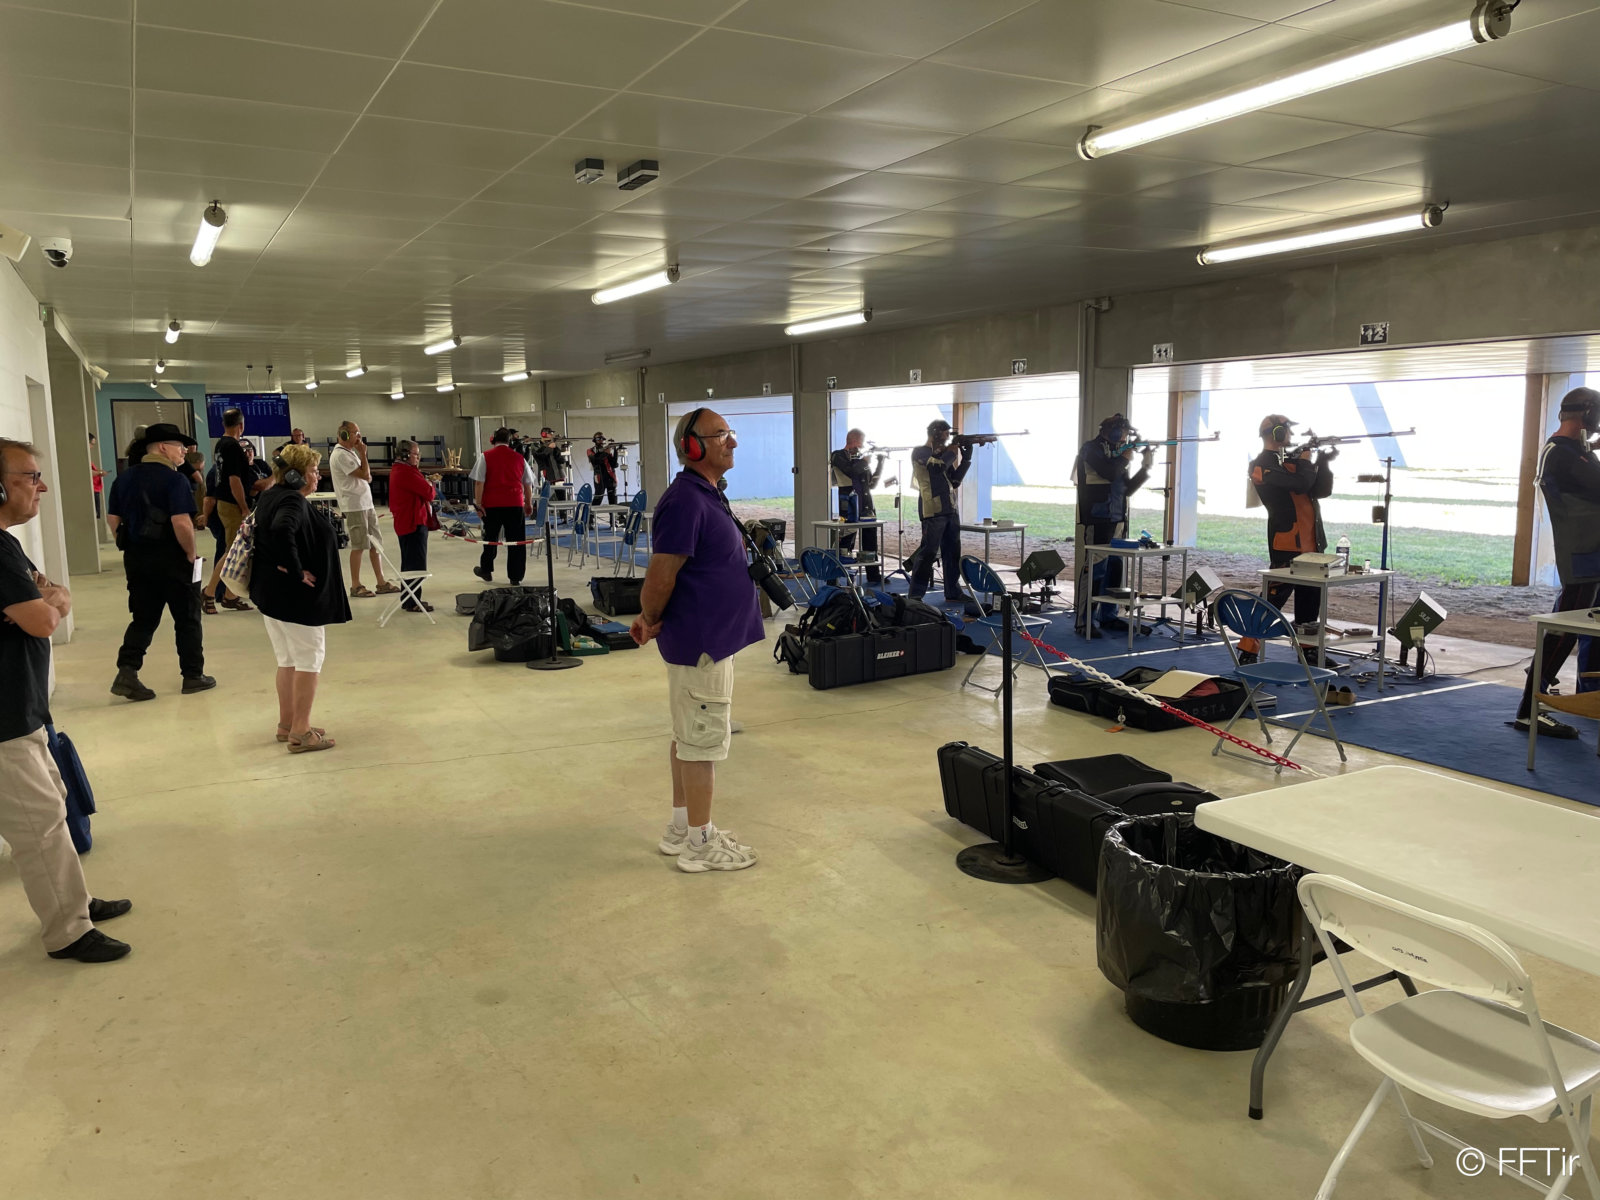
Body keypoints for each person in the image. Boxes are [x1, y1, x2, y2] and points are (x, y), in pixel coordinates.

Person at [0, 437, 134, 962]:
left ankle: (72, 900)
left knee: (53, 808)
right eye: (29, 477)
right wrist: (48, 603)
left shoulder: (7, 544)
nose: (41, 487)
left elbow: (52, 593)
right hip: (5, 718)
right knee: (39, 826)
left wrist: (49, 600)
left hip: (24, 707)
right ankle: (68, 931)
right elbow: (43, 619)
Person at [631, 407, 762, 874]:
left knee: (688, 737)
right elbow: (661, 573)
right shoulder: (685, 501)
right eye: (721, 434)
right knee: (702, 743)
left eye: (730, 432)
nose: (732, 442)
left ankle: (681, 827)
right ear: (692, 446)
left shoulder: (706, 494)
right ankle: (700, 844)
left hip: (710, 641)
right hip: (701, 644)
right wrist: (649, 617)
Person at [249, 444, 350, 753]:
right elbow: (283, 530)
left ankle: (287, 724)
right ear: (294, 475)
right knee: (309, 659)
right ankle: (301, 732)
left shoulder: (270, 495)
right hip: (296, 600)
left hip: (272, 595)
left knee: (288, 660)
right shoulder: (292, 500)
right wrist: (296, 571)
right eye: (313, 471)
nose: (318, 477)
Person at [104, 423, 214, 701]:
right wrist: (190, 554)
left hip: (137, 559)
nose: (184, 452)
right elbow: (182, 522)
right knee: (187, 618)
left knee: (143, 618)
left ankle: (127, 671)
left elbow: (113, 519)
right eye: (180, 447)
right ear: (163, 447)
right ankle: (193, 675)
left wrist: (129, 542)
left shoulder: (124, 479)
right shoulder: (175, 480)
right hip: (173, 558)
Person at [1513, 387, 1600, 738]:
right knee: (1562, 634)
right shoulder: (1562, 453)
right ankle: (1529, 711)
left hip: (1589, 553)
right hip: (1583, 556)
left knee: (1570, 631)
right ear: (1587, 413)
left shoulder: (1568, 451)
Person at [1246, 414, 1335, 661]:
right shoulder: (1261, 466)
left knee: (1310, 601)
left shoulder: (1291, 462)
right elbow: (1301, 484)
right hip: (1287, 543)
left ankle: (1308, 652)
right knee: (1272, 600)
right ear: (1276, 433)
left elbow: (1321, 490)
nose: (1292, 435)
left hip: (1312, 543)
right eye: (1287, 430)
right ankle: (1247, 650)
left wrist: (1323, 462)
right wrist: (1306, 461)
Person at [1074, 414, 1155, 636]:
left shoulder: (1117, 455)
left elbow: (1127, 489)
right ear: (1113, 431)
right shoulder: (1091, 449)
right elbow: (1109, 473)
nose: (1125, 437)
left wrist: (1146, 466)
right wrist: (1126, 458)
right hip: (1098, 518)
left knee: (1114, 569)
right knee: (1095, 570)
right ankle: (1084, 621)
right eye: (1123, 433)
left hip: (1118, 518)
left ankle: (1108, 616)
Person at [327, 420, 398, 601]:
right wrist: (363, 455)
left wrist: (362, 458)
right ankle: (355, 584)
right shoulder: (340, 454)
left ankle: (381, 582)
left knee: (376, 544)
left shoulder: (350, 452)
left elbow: (368, 477)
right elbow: (365, 475)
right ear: (344, 435)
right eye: (355, 433)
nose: (359, 437)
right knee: (359, 545)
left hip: (366, 503)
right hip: (354, 505)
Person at [909, 419, 973, 604]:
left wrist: (966, 460)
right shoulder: (920, 452)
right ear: (936, 433)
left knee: (952, 552)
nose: (946, 439)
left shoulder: (942, 455)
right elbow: (936, 468)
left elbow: (955, 481)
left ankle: (953, 591)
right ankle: (915, 596)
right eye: (945, 434)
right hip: (932, 509)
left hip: (950, 508)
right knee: (928, 553)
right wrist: (952, 452)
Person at [470, 426, 536, 585]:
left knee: (490, 538)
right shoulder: (519, 458)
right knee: (516, 540)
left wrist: (479, 504)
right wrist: (528, 503)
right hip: (514, 504)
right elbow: (528, 483)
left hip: (492, 505)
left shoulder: (485, 456)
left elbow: (479, 482)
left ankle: (486, 569)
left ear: (493, 440)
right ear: (509, 441)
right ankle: (516, 576)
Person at [204, 408, 254, 612]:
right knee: (232, 552)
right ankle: (208, 592)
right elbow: (234, 480)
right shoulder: (233, 446)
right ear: (241, 425)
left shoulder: (221, 444)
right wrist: (244, 507)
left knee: (236, 552)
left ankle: (229, 596)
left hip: (224, 502)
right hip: (232, 504)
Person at [831, 429, 885, 585]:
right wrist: (865, 462)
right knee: (846, 542)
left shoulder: (860, 460)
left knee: (870, 542)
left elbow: (871, 484)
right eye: (861, 442)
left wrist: (880, 463)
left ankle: (873, 575)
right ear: (854, 441)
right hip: (849, 505)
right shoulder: (837, 455)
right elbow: (851, 471)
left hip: (867, 505)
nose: (862, 446)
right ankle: (834, 577)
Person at [389, 439, 437, 613]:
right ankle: (413, 601)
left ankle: (409, 599)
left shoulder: (401, 470)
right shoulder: (406, 472)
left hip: (408, 521)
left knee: (409, 563)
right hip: (413, 523)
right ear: (405, 455)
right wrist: (431, 484)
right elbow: (429, 493)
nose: (418, 457)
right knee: (415, 565)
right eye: (415, 454)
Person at [587, 432, 619, 506]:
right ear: (595, 440)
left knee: (613, 500)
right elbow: (595, 461)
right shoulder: (590, 450)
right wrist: (606, 453)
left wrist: (615, 450)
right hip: (599, 477)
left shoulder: (606, 450)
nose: (601, 440)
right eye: (598, 439)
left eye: (602, 439)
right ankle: (591, 513)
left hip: (610, 477)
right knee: (598, 498)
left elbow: (614, 464)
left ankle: (613, 514)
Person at [89, 432, 105, 520]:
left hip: (96, 488)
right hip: (93, 488)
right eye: (92, 444)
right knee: (96, 514)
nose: (92, 447)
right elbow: (88, 472)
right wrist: (99, 473)